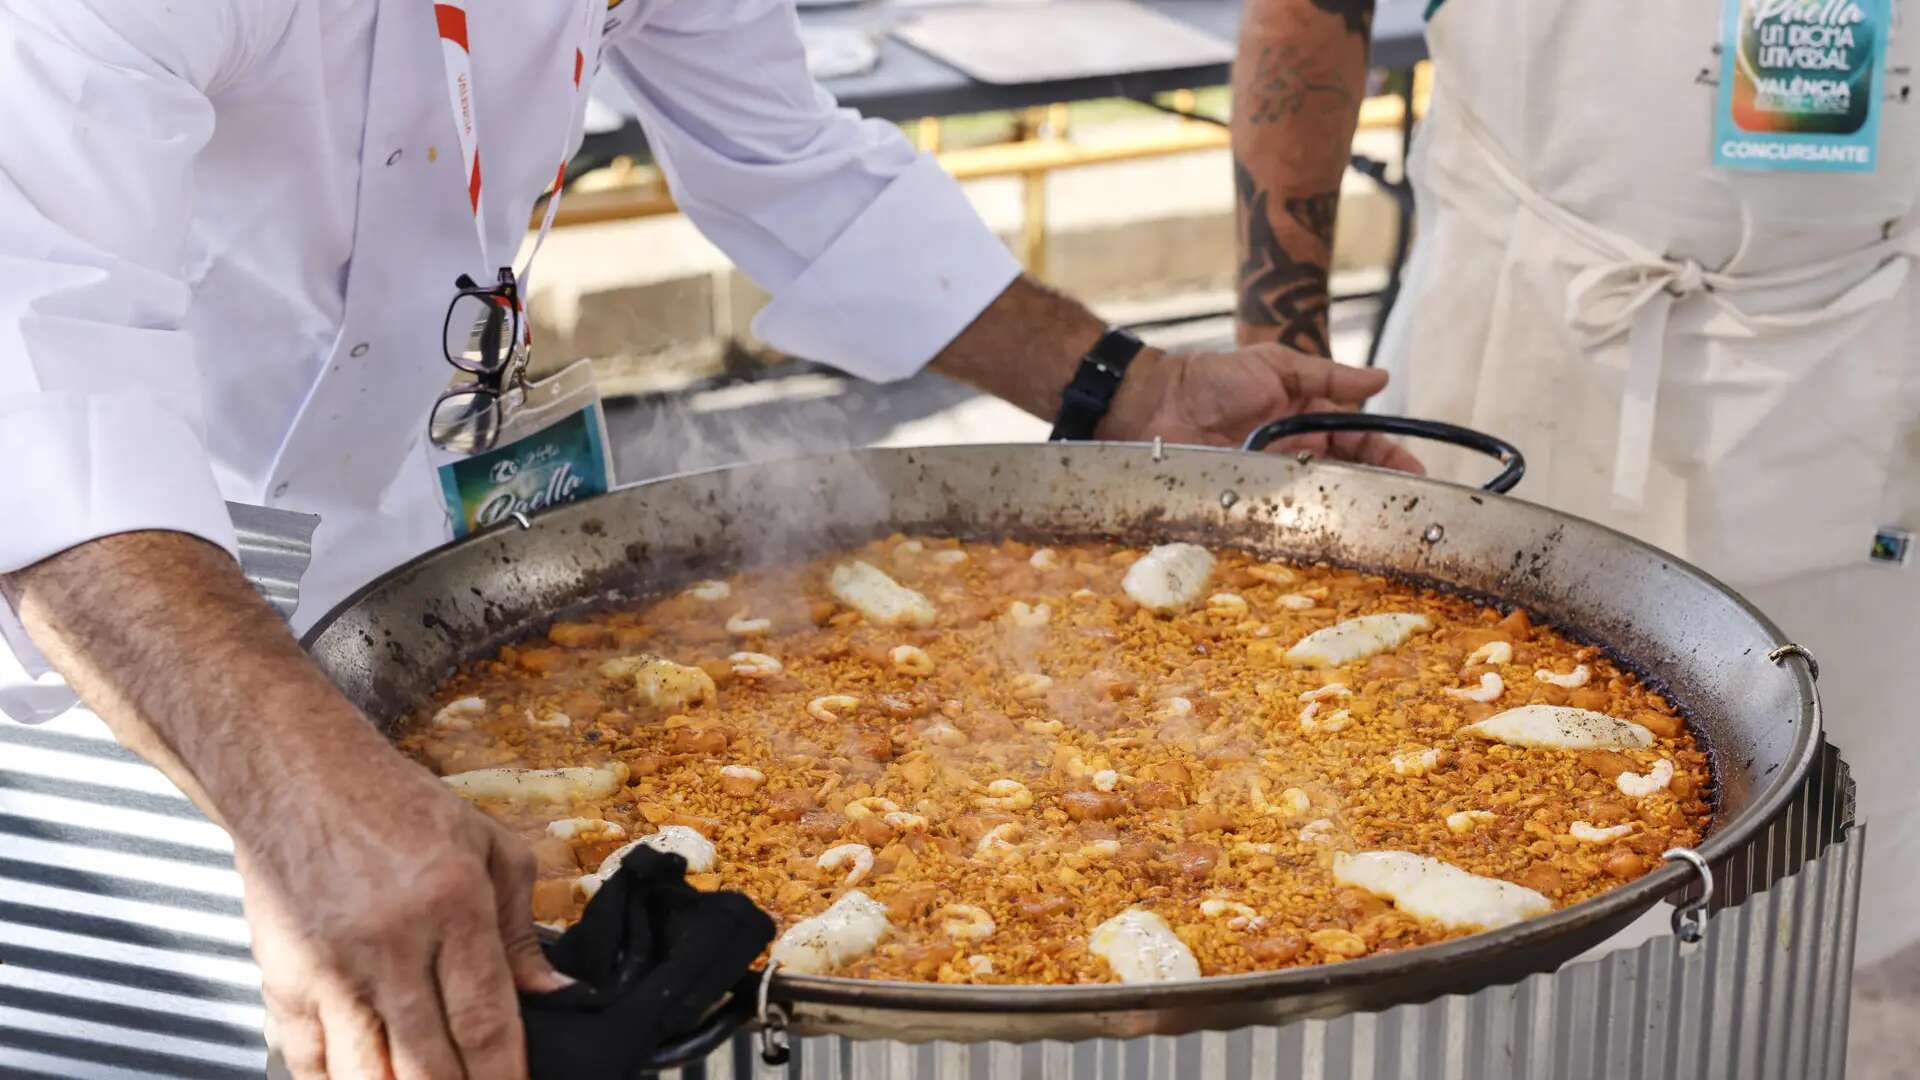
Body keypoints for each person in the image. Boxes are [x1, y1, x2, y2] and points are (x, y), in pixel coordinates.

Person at [0, 1, 1423, 1077]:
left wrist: (1130, 386)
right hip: (105, 630)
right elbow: (35, 362)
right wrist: (297, 790)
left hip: (393, 570)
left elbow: (783, 159)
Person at [1233, 0, 1920, 965]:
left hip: (1846, 366)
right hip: (1525, 331)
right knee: (1438, 877)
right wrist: (1281, 339)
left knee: (1794, 916)